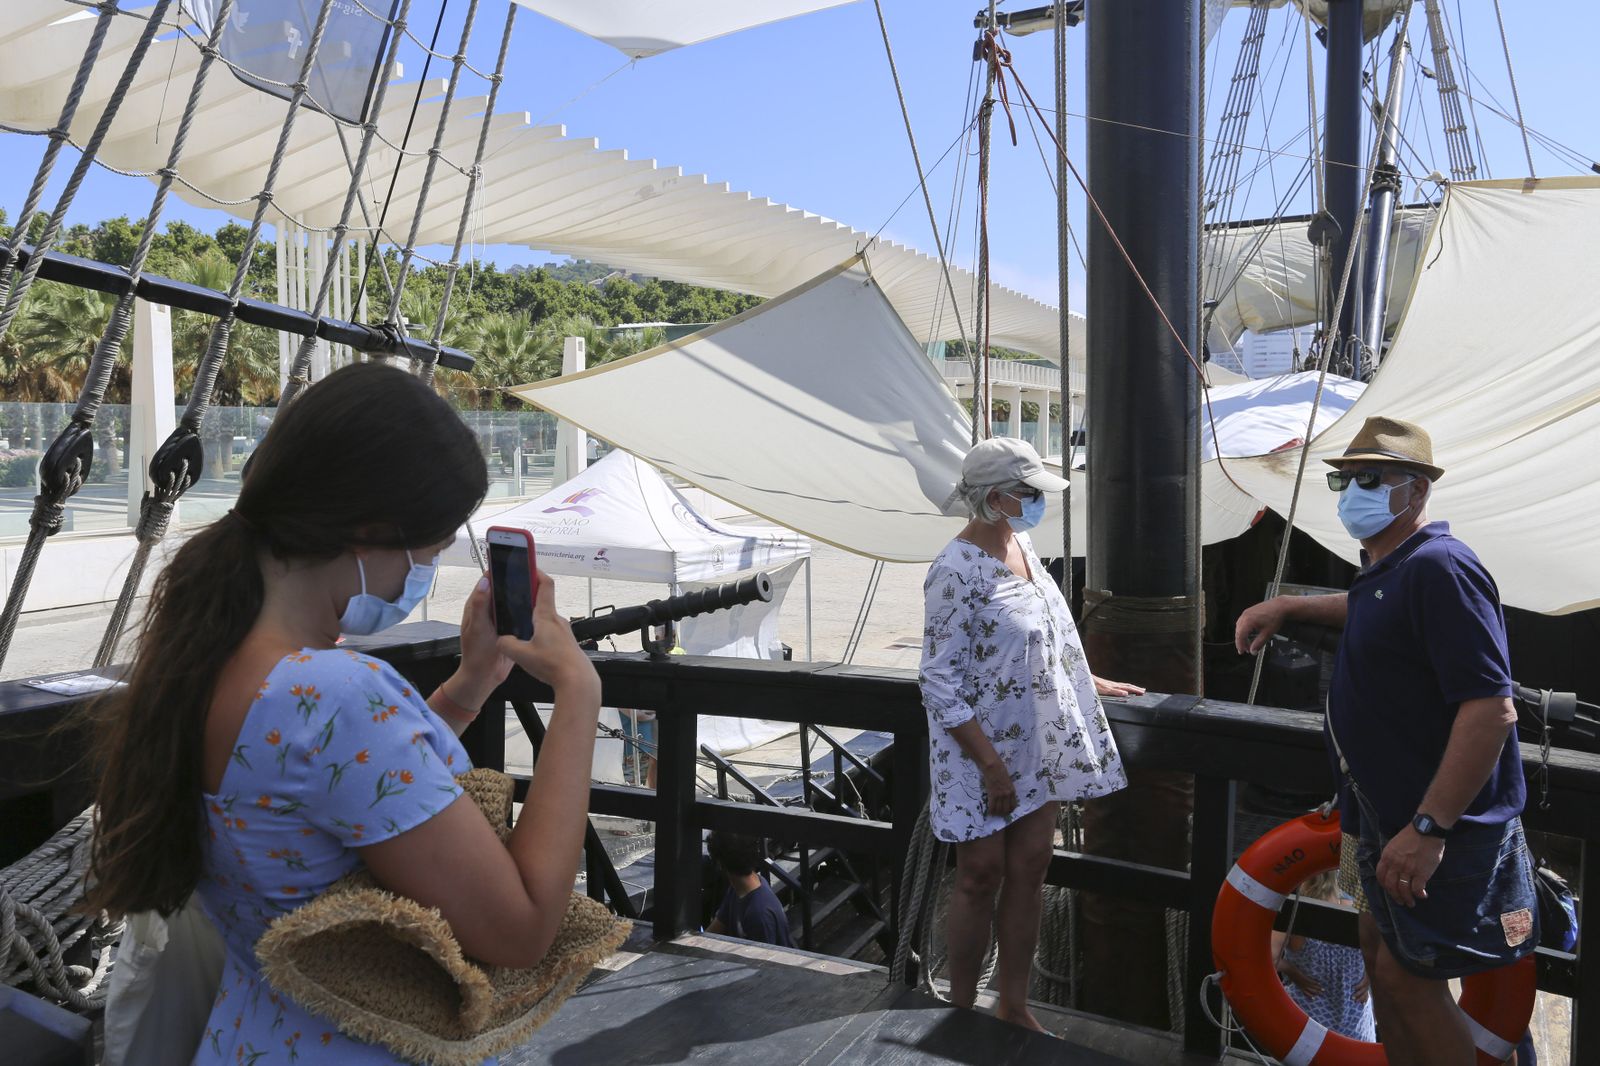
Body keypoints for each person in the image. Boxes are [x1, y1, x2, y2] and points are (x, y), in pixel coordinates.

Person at [84, 362, 604, 1064]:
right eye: (433, 542)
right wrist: (577, 690)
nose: (428, 564)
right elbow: (522, 929)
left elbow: (338, 785)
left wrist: (471, 685)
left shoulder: (208, 654)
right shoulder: (336, 691)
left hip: (248, 1035)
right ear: (369, 530)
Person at [1235, 416, 1537, 1066]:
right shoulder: (1391, 571)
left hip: (1431, 833)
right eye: (1341, 479)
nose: (1350, 492)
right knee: (1375, 945)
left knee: (1406, 976)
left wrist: (1428, 829)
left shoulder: (1442, 568)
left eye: (1370, 479)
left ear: (1419, 491)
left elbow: (1491, 711)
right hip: (1375, 823)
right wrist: (1290, 605)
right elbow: (1372, 607)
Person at [920, 437, 1138, 1033]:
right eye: (1031, 492)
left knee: (1033, 865)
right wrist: (990, 767)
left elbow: (1039, 632)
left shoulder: (1024, 544)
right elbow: (937, 682)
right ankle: (960, 1007)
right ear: (997, 498)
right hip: (976, 752)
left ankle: (1014, 1003)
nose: (1041, 501)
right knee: (979, 874)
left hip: (1033, 744)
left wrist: (1084, 677)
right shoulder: (954, 569)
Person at [1272, 870, 1375, 1042]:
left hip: (1306, 1022)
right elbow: (1389, 951)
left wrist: (1295, 974)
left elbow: (1271, 958)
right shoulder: (1363, 909)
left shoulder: (1295, 911)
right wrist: (1370, 974)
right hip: (1354, 1024)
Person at [705, 831, 794, 948]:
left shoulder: (759, 914)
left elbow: (763, 963)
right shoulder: (738, 889)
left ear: (720, 864)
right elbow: (714, 930)